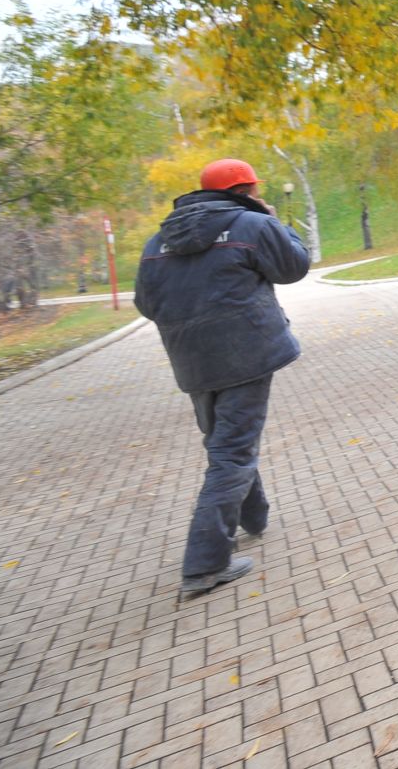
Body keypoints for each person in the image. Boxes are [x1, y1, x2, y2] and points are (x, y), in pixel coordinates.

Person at [134, 158, 311, 597]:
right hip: (245, 354)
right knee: (231, 452)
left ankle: (255, 517)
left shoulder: (160, 239)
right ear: (247, 189)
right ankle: (205, 565)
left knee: (227, 442)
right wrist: (278, 224)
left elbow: (144, 301)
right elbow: (294, 267)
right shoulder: (252, 223)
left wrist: (189, 323)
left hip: (192, 361)